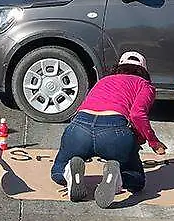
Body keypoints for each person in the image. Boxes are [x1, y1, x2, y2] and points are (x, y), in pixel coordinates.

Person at [50, 52, 167, 208]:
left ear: (118, 67)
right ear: (144, 71)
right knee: (137, 181)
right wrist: (152, 142)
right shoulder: (144, 85)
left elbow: (83, 107)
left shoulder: (104, 81)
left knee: (58, 169)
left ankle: (68, 172)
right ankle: (118, 177)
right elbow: (137, 114)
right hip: (114, 133)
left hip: (79, 128)